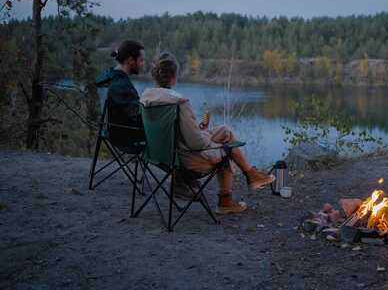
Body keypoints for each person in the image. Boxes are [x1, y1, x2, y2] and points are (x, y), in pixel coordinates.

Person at [140, 52, 275, 214]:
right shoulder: (179, 102)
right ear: (174, 76)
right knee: (228, 149)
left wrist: (200, 131)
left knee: (225, 130)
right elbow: (196, 143)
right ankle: (229, 198)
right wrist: (214, 143)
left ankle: (251, 176)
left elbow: (177, 132)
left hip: (163, 156)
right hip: (186, 160)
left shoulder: (147, 99)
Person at [95, 40, 146, 146]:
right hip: (125, 137)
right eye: (141, 60)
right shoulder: (121, 85)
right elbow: (138, 115)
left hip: (107, 132)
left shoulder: (107, 77)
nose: (143, 64)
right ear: (131, 60)